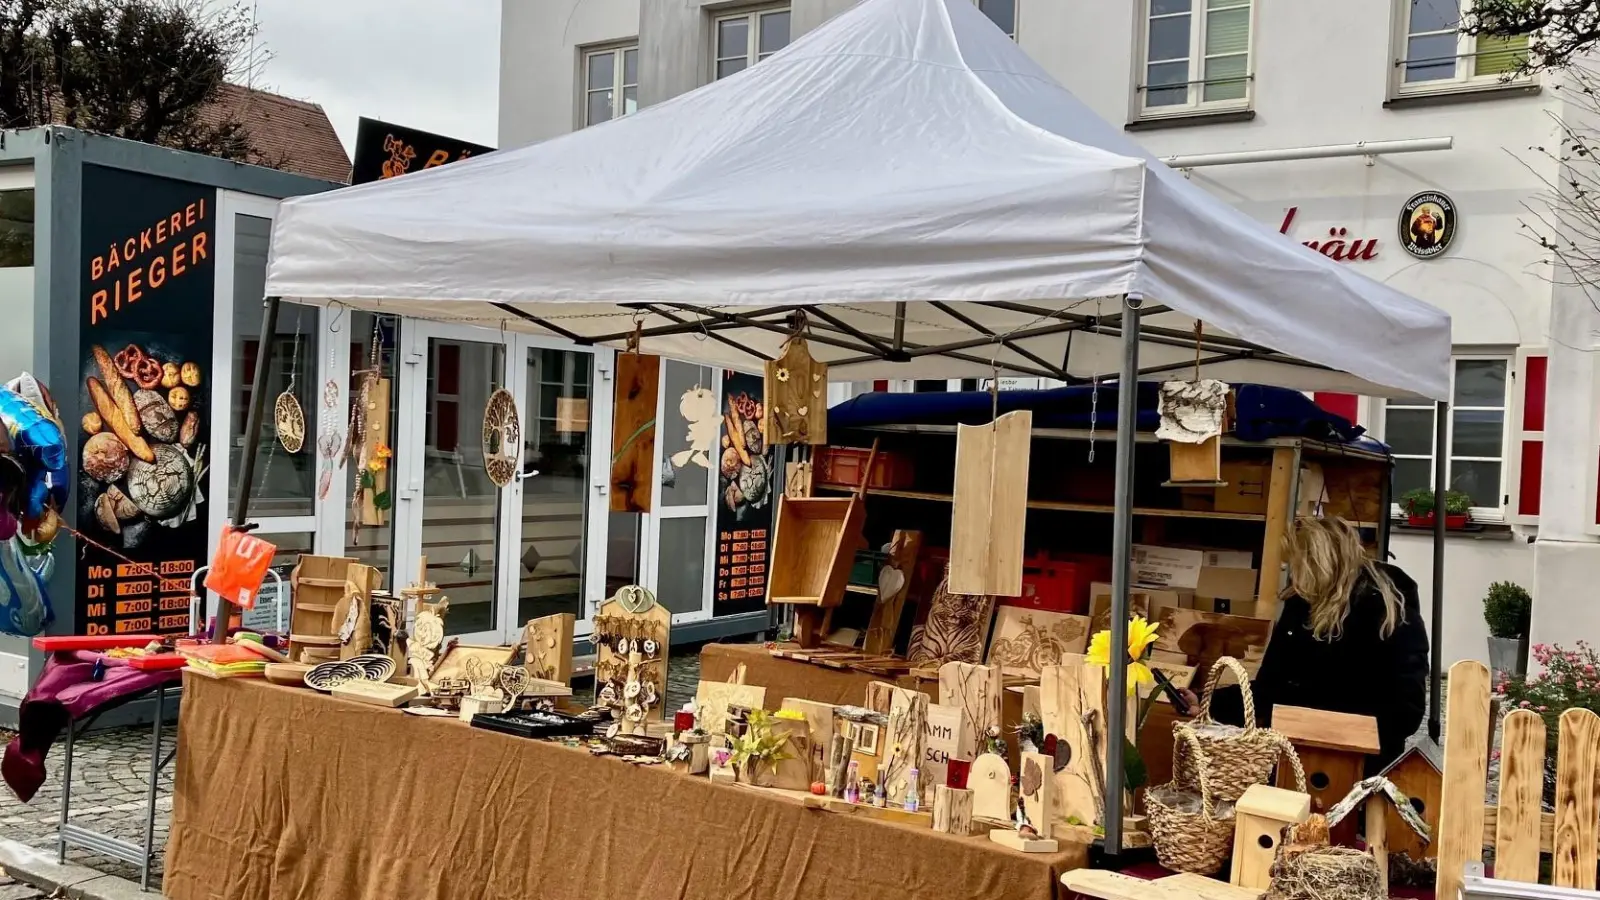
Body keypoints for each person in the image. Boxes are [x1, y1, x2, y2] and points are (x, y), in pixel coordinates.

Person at [1191, 516, 1429, 772]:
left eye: (1296, 564)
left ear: (1318, 563)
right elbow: (1271, 689)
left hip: (1361, 767)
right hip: (1294, 758)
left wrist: (1320, 720)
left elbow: (1406, 712)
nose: (1292, 572)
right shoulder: (1301, 606)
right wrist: (1208, 702)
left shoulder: (1389, 613)